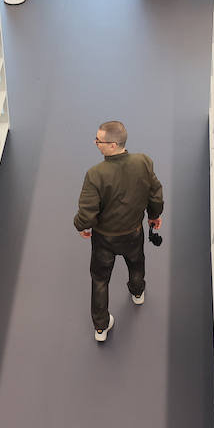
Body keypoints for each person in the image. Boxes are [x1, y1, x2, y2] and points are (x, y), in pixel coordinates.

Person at [73, 121, 164, 342]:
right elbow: (155, 194)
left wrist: (82, 226)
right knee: (136, 263)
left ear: (113, 145)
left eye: (99, 141)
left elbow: (87, 213)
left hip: (104, 239)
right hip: (133, 232)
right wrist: (154, 215)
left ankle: (101, 327)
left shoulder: (95, 174)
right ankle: (137, 292)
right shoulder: (143, 162)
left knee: (100, 279)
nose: (96, 144)